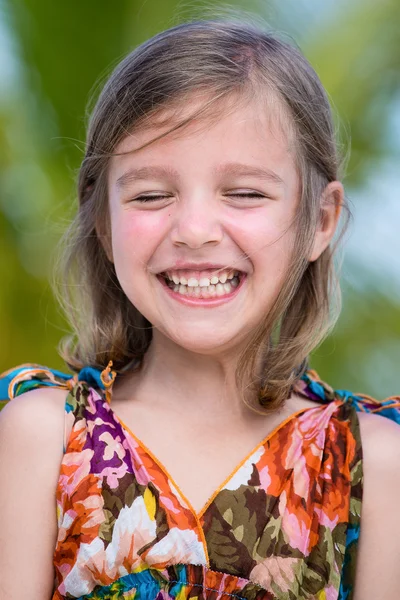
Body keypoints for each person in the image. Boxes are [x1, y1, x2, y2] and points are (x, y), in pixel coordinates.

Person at [0, 17, 399, 600]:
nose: (193, 230)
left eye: (244, 192)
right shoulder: (44, 440)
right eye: (151, 195)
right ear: (104, 223)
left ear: (319, 222)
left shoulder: (373, 464)